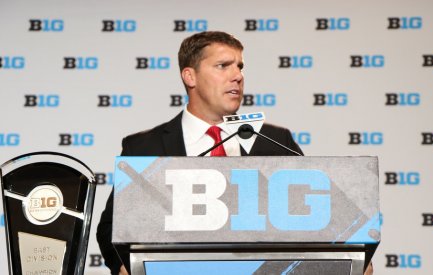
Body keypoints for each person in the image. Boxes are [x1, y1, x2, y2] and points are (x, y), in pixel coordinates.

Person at [96, 31, 303, 275]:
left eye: (240, 67)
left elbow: (322, 214)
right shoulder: (144, 148)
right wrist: (125, 266)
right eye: (223, 66)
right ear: (190, 76)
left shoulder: (276, 142)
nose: (237, 76)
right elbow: (113, 226)